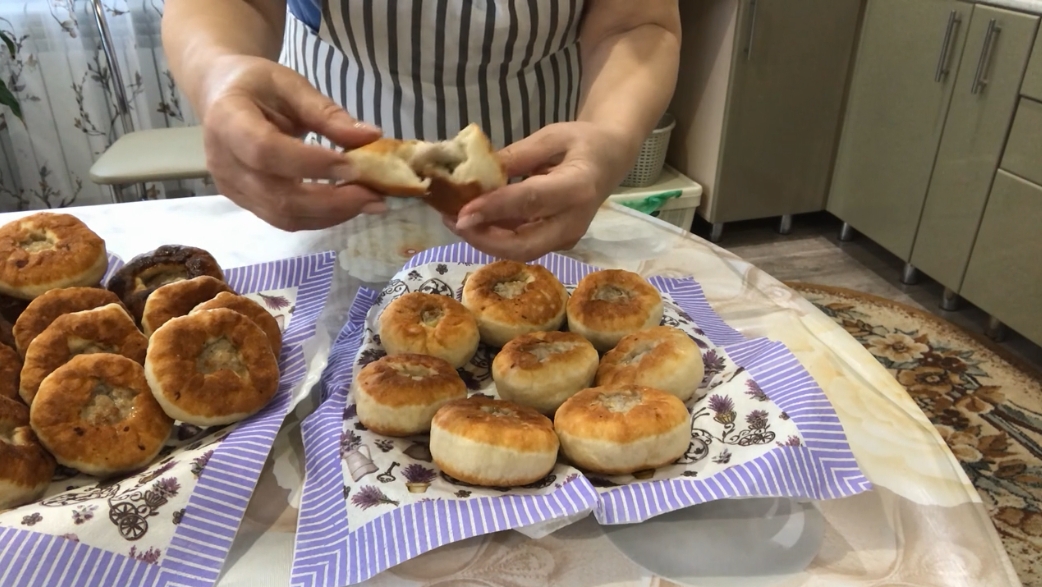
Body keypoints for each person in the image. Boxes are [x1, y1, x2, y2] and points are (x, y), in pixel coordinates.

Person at [162, 0, 680, 262]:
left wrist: (610, 134)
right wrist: (217, 72)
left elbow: (635, 21)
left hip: (539, 188)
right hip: (331, 184)